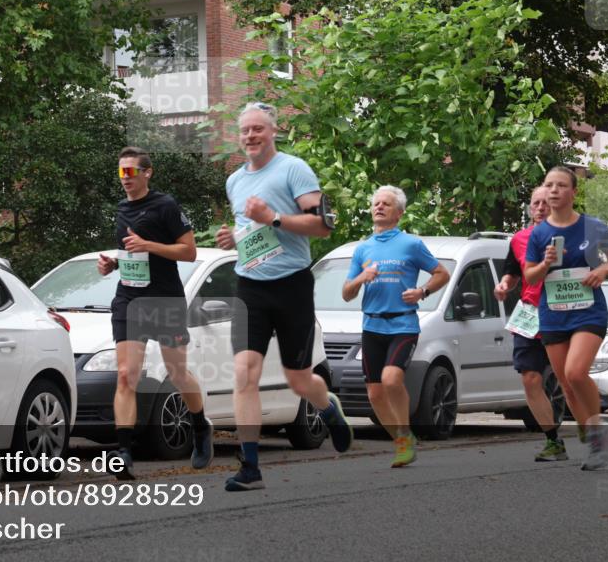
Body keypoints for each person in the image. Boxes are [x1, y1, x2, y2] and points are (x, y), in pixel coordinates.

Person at [215, 102, 353, 492]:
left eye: (258, 129)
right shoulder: (235, 181)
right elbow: (251, 235)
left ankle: (328, 410)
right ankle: (251, 467)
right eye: (245, 131)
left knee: (297, 379)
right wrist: (233, 241)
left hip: (292, 284)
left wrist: (273, 217)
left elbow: (323, 226)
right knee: (245, 374)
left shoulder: (293, 169)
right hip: (250, 287)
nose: (251, 136)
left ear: (273, 131)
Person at [97, 146, 213, 479]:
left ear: (147, 173)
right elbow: (130, 252)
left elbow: (188, 252)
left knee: (177, 374)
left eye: (131, 172)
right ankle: (124, 453)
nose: (125, 179)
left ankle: (200, 426)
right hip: (129, 300)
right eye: (121, 172)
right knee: (125, 375)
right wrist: (112, 264)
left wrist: (149, 245)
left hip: (164, 300)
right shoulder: (121, 209)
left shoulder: (165, 206)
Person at [524, 166, 608, 470]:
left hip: (588, 312)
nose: (553, 190)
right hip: (554, 315)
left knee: (577, 372)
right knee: (567, 384)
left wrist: (603, 270)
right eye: (548, 185)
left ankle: (599, 438)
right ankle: (598, 447)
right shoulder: (539, 233)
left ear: (573, 192)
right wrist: (544, 264)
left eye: (560, 185)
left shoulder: (592, 227)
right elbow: (529, 276)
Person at [342, 185, 450, 468]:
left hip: (402, 323)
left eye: (386, 204)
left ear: (399, 213)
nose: (378, 207)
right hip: (372, 325)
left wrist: (422, 292)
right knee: (375, 394)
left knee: (391, 380)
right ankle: (403, 440)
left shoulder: (411, 244)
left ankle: (404, 433)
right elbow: (346, 293)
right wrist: (361, 278)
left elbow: (442, 273)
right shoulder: (362, 248)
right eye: (376, 203)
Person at [494, 186, 578, 461]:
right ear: (529, 208)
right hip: (529, 315)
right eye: (535, 203)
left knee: (569, 381)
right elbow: (512, 273)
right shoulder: (518, 239)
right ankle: (553, 440)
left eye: (546, 203)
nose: (540, 208)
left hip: (561, 314)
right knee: (530, 378)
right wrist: (504, 285)